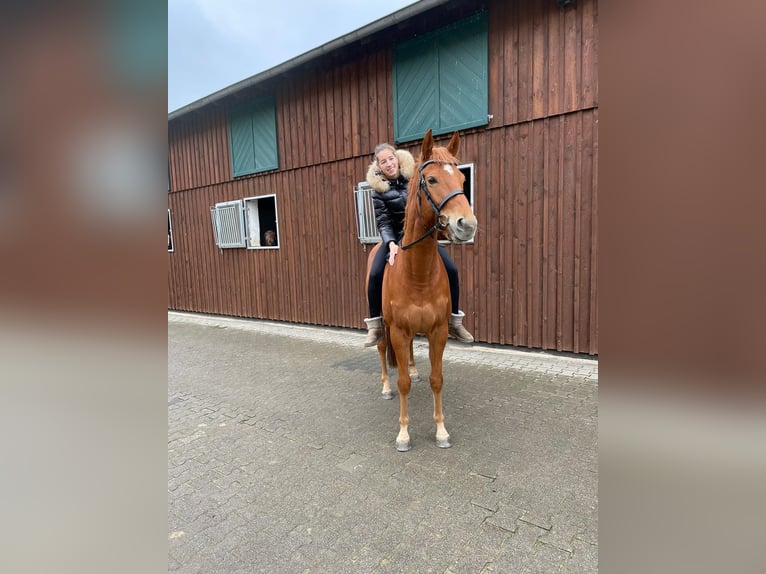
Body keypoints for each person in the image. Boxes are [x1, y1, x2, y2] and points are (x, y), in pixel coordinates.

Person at [363, 142, 474, 347]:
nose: (389, 164)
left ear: (397, 158)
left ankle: (454, 320)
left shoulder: (413, 178)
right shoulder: (378, 192)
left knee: (452, 269)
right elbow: (383, 221)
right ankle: (375, 325)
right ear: (378, 166)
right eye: (383, 161)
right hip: (395, 239)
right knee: (376, 273)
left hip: (420, 237)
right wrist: (390, 243)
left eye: (391, 158)